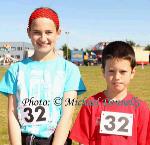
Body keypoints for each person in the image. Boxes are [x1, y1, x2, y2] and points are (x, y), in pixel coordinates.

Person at [0, 7, 86, 145]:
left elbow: (67, 116)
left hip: (56, 139)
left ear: (58, 33)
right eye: (37, 32)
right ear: (28, 32)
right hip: (24, 139)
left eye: (49, 32)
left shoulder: (70, 70)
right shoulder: (16, 69)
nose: (43, 38)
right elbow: (12, 114)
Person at [69, 41, 150, 145]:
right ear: (103, 72)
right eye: (111, 71)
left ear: (132, 73)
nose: (117, 77)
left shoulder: (141, 108)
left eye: (123, 72)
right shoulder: (91, 104)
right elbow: (83, 142)